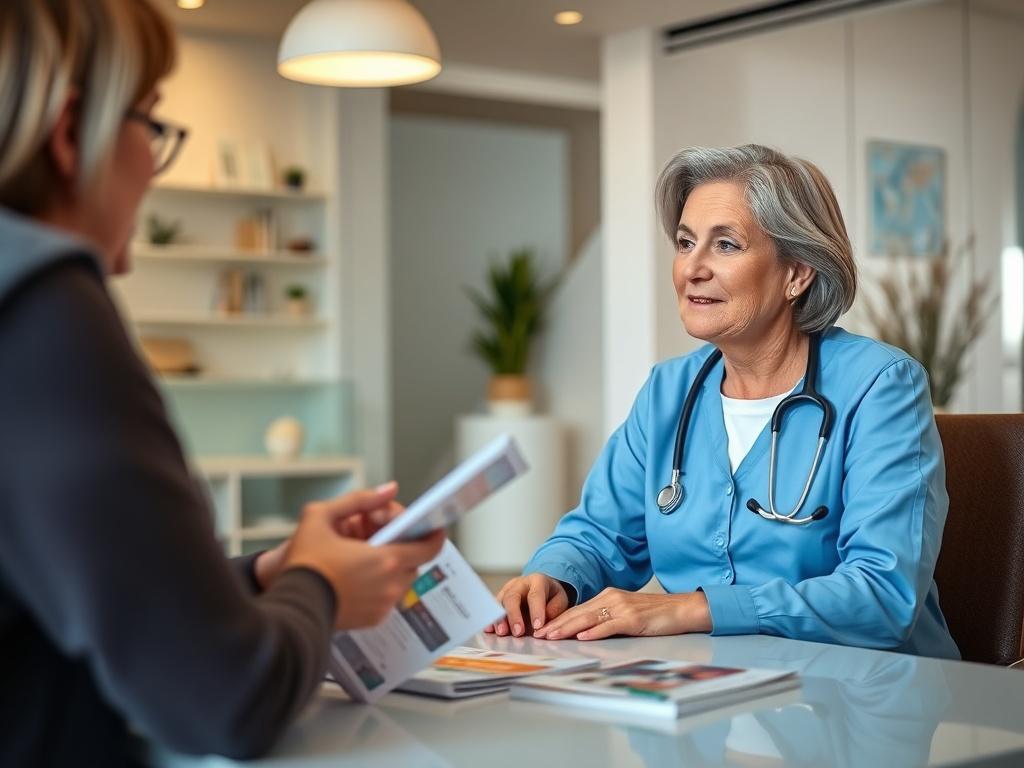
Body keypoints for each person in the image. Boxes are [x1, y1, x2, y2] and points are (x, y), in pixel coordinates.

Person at [0, 2, 443, 765]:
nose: (152, 162)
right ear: (73, 134)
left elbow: (96, 600)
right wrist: (321, 588)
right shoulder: (41, 306)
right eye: (153, 126)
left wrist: (271, 574)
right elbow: (226, 702)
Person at [487, 144, 959, 660]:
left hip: (866, 703)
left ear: (796, 274)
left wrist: (692, 609)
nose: (693, 268)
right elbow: (598, 534)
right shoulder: (668, 393)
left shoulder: (880, 387)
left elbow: (882, 596)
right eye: (686, 243)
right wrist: (551, 578)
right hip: (709, 703)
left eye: (726, 245)